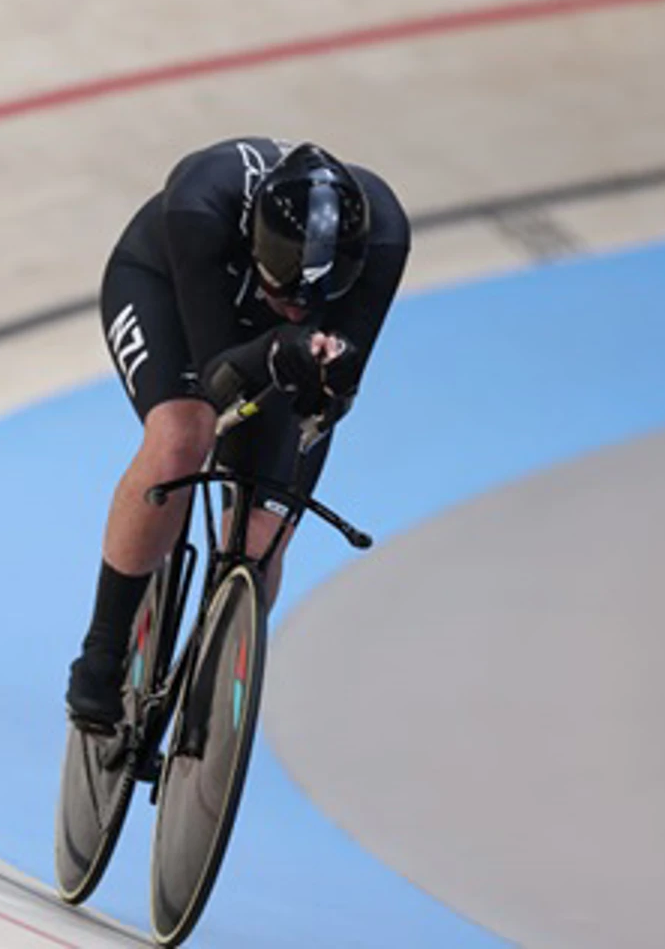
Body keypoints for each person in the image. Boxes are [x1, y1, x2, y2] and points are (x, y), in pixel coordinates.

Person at [66, 137, 411, 728]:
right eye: (284, 291)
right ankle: (100, 654)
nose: (296, 308)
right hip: (168, 292)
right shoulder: (203, 199)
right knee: (183, 436)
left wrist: (322, 371)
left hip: (272, 346)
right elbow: (219, 378)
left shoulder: (384, 235)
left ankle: (210, 685)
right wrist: (281, 344)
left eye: (314, 300)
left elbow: (339, 393)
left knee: (263, 532)